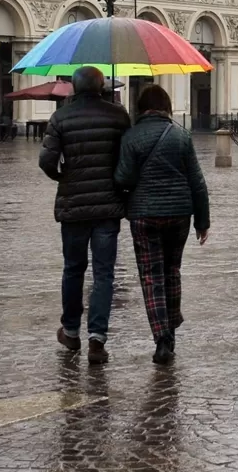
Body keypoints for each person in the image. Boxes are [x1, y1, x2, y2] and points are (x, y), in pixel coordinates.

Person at [39, 66, 131, 365]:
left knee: (73, 269)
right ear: (102, 86)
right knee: (104, 273)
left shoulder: (60, 117)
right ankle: (97, 339)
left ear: (74, 88)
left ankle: (70, 331)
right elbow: (127, 161)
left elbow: (47, 161)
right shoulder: (118, 116)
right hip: (108, 206)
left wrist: (63, 177)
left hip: (73, 205)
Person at [115, 85, 211, 366]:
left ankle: (162, 339)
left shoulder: (131, 137)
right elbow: (197, 181)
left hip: (144, 215)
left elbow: (123, 179)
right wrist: (202, 222)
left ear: (141, 108)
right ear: (167, 107)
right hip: (180, 214)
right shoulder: (181, 135)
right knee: (172, 271)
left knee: (151, 277)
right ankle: (171, 325)